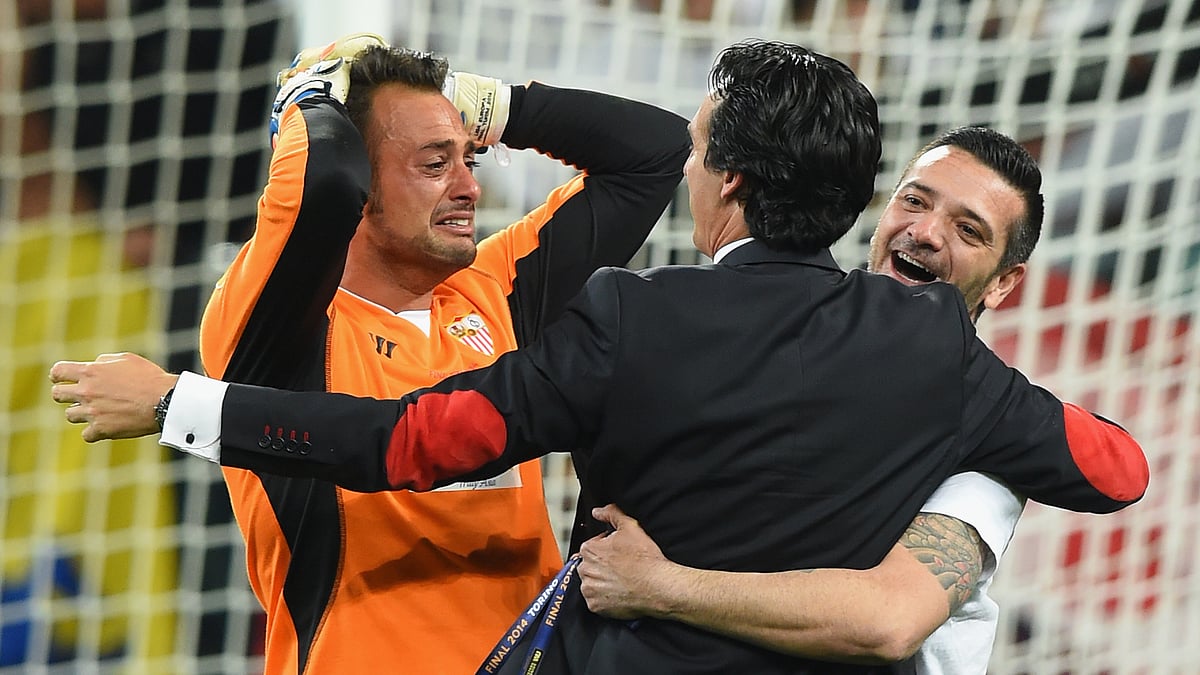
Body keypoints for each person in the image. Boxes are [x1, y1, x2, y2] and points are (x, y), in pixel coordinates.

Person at [52, 40, 1148, 674]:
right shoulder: (940, 363)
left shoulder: (629, 320)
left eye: (700, 146)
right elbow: (1116, 471)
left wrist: (183, 408)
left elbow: (414, 443)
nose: (467, 180)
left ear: (725, 183)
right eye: (917, 202)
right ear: (864, 201)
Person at [59, 33, 689, 673]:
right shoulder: (281, 323)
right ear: (365, 184)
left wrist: (495, 106)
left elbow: (656, 152)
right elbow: (325, 178)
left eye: (470, 158)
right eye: (433, 164)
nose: (469, 187)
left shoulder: (494, 291)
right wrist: (307, 94)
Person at [573, 126, 1052, 673]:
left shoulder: (984, 439)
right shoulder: (791, 344)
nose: (925, 233)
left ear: (1002, 283)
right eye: (914, 201)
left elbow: (886, 621)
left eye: (968, 230)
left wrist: (661, 585)